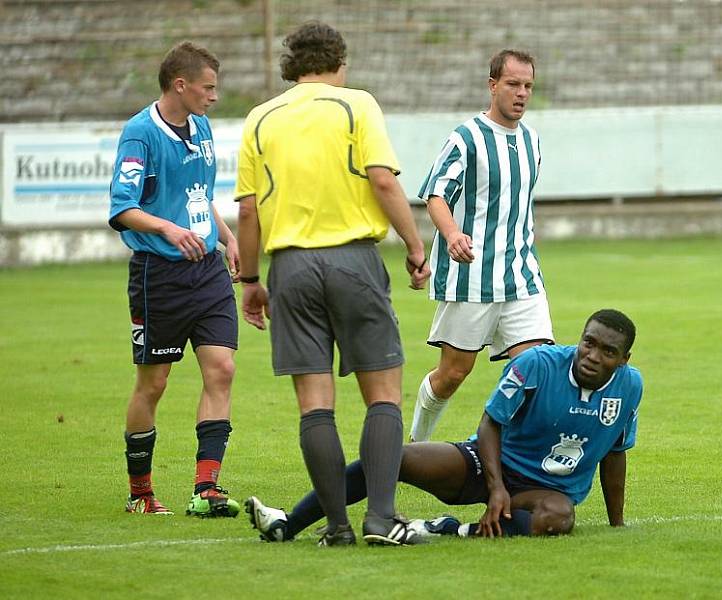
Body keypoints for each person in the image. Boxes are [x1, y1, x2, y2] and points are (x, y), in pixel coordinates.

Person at [234, 22, 431, 546]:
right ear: (339, 63)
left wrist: (251, 280)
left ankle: (338, 528)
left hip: (290, 268)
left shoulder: (260, 119)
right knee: (382, 394)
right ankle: (382, 519)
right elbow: (383, 180)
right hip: (353, 261)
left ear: (291, 67)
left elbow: (249, 210)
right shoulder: (355, 104)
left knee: (315, 404)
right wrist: (415, 246)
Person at [245, 309, 641, 541]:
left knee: (558, 518)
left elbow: (616, 453)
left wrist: (617, 525)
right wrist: (496, 485)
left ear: (623, 359)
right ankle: (288, 524)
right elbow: (490, 424)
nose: (593, 355)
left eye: (608, 352)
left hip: (545, 491)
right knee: (391, 458)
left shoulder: (630, 387)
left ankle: (451, 530)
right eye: (589, 342)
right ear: (581, 338)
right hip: (486, 463)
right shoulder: (537, 363)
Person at [108, 41, 240, 518]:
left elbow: (200, 195)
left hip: (206, 271)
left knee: (222, 368)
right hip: (157, 274)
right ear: (180, 85)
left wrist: (226, 237)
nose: (214, 97)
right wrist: (166, 227)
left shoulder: (202, 128)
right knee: (154, 382)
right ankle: (140, 493)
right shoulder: (140, 133)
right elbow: (122, 208)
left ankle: (206, 488)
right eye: (208, 88)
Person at [409, 49, 555, 443]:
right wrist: (453, 234)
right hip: (472, 276)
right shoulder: (467, 138)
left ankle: (515, 460)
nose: (521, 93)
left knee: (537, 371)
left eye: (528, 86)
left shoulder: (533, 142)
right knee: (453, 374)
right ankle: (416, 446)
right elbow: (436, 194)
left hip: (522, 277)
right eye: (513, 84)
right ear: (493, 85)